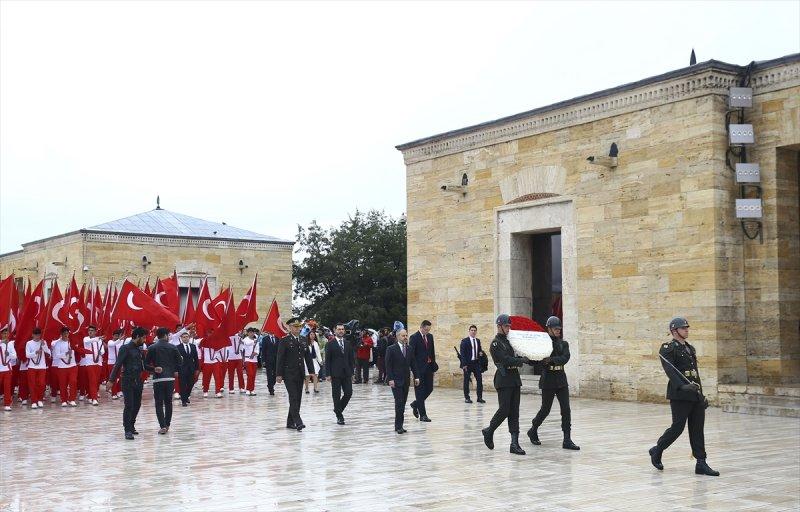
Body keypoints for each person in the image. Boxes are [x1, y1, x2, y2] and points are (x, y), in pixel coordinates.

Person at [649, 317, 719, 476]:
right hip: (680, 394)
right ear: (674, 331)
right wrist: (682, 386)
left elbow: (694, 374)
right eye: (683, 328)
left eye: (687, 328)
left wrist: (701, 395)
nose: (687, 330)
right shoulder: (668, 348)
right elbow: (670, 370)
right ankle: (658, 449)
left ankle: (701, 462)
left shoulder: (690, 348)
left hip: (695, 395)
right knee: (677, 428)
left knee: (697, 429)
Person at [526, 316, 580, 451]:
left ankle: (567, 439)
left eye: (559, 329)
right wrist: (527, 358)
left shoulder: (563, 344)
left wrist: (551, 359)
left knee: (566, 409)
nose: (558, 331)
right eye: (556, 329)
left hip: (561, 378)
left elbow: (565, 358)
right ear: (549, 329)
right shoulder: (542, 343)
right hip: (548, 379)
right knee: (545, 409)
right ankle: (533, 429)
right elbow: (536, 359)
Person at [482, 314, 527, 455]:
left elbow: (514, 356)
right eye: (506, 326)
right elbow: (505, 359)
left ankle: (514, 443)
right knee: (504, 409)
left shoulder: (509, 342)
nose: (508, 328)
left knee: (514, 411)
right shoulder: (496, 343)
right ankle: (489, 430)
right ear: (499, 326)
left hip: (514, 378)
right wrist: (520, 361)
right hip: (504, 378)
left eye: (509, 326)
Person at [107, 327, 148, 440]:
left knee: (137, 404)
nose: (145, 340)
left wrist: (156, 369)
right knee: (129, 405)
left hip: (138, 380)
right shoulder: (125, 348)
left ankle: (132, 424)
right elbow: (118, 364)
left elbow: (144, 365)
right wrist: (111, 380)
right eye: (143, 337)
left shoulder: (139, 350)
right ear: (137, 337)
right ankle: (127, 430)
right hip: (127, 380)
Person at [276, 317, 314, 431]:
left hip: (300, 373)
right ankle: (298, 421)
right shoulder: (284, 340)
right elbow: (280, 358)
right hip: (288, 373)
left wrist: (312, 371)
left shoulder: (303, 339)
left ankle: (289, 422)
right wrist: (279, 374)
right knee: (293, 397)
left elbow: (307, 356)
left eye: (298, 326)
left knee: (298, 398)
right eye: (295, 326)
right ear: (290, 327)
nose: (297, 329)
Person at [144, 327, 182, 434]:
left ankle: (162, 425)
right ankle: (167, 424)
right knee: (168, 402)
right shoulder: (173, 347)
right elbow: (180, 362)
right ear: (165, 335)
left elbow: (145, 365)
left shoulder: (152, 348)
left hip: (158, 378)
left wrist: (154, 369)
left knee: (159, 403)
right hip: (170, 378)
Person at [385, 329, 418, 434]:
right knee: (398, 403)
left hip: (406, 380)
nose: (405, 337)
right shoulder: (391, 349)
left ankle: (401, 425)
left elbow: (413, 363)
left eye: (406, 335)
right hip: (395, 380)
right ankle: (398, 426)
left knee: (403, 403)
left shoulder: (409, 348)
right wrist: (390, 379)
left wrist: (416, 376)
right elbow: (388, 365)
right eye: (403, 336)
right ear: (398, 336)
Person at [325, 323, 355, 425]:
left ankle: (338, 409)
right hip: (335, 373)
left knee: (349, 393)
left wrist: (352, 372)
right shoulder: (330, 344)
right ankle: (339, 416)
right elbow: (327, 360)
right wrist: (328, 374)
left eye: (342, 329)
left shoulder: (348, 343)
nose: (341, 331)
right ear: (335, 331)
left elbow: (351, 359)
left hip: (346, 373)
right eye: (339, 329)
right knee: (336, 395)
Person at [409, 320, 437, 422]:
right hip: (419, 370)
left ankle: (415, 404)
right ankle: (423, 415)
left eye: (428, 330)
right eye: (426, 330)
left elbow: (432, 352)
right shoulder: (414, 337)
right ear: (421, 327)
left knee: (429, 389)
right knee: (420, 392)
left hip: (429, 368)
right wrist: (414, 371)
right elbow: (411, 356)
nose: (427, 332)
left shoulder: (430, 337)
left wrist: (433, 366)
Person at [51, 327, 79, 407]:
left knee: (73, 382)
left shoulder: (72, 342)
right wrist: (66, 353)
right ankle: (64, 400)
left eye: (67, 333)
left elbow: (77, 349)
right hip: (62, 367)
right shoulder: (57, 343)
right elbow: (57, 355)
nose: (66, 335)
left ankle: (72, 399)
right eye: (64, 333)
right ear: (61, 334)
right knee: (63, 384)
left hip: (72, 365)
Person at [25, 327, 50, 409]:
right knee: (32, 384)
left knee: (42, 384)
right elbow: (27, 355)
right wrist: (35, 352)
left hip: (42, 366)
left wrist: (44, 346)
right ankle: (34, 401)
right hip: (32, 366)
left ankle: (40, 399)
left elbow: (48, 352)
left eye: (38, 334)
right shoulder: (29, 343)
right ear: (32, 335)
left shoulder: (43, 342)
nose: (37, 336)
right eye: (35, 334)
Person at [80, 326, 105, 406]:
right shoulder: (86, 339)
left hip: (98, 362)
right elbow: (90, 341)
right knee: (92, 380)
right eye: (89, 331)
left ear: (95, 332)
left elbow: (102, 351)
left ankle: (91, 396)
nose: (90, 332)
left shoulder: (99, 340)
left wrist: (101, 352)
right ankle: (94, 398)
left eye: (92, 331)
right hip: (90, 362)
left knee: (96, 381)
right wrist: (98, 338)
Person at [460, 325, 485, 404]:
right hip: (467, 364)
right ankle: (467, 397)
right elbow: (462, 354)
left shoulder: (478, 341)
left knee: (480, 380)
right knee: (467, 381)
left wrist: (481, 354)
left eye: (475, 330)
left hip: (476, 363)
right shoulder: (465, 341)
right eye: (472, 330)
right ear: (469, 331)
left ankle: (479, 397)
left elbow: (480, 350)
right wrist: (464, 364)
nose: (473, 332)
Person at [177, 330, 200, 406]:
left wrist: (197, 369)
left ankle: (186, 396)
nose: (185, 338)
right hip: (182, 369)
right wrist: (176, 370)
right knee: (183, 385)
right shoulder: (178, 347)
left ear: (189, 338)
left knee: (191, 384)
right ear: (181, 338)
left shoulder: (193, 346)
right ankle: (183, 401)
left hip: (191, 368)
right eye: (184, 337)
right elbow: (176, 360)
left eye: (187, 337)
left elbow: (196, 358)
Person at [0, 327, 17, 411]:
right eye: (4, 333)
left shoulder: (10, 344)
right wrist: (2, 342)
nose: (5, 335)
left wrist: (9, 353)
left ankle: (7, 404)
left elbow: (14, 356)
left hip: (7, 369)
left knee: (7, 387)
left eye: (7, 333)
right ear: (1, 334)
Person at [105, 329, 125, 399]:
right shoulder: (110, 342)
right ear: (112, 336)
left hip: (119, 362)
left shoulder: (121, 342)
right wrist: (119, 339)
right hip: (111, 363)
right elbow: (113, 344)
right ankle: (114, 393)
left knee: (120, 378)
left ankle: (119, 391)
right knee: (113, 378)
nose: (116, 337)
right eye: (115, 336)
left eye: (118, 336)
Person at [242, 328, 260, 396]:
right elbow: (247, 344)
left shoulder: (256, 340)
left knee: (253, 376)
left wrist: (255, 353)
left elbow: (257, 350)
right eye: (250, 332)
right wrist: (254, 342)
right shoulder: (246, 339)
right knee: (250, 375)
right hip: (247, 359)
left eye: (252, 332)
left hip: (254, 360)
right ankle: (248, 389)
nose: (252, 334)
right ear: (248, 333)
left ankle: (252, 389)